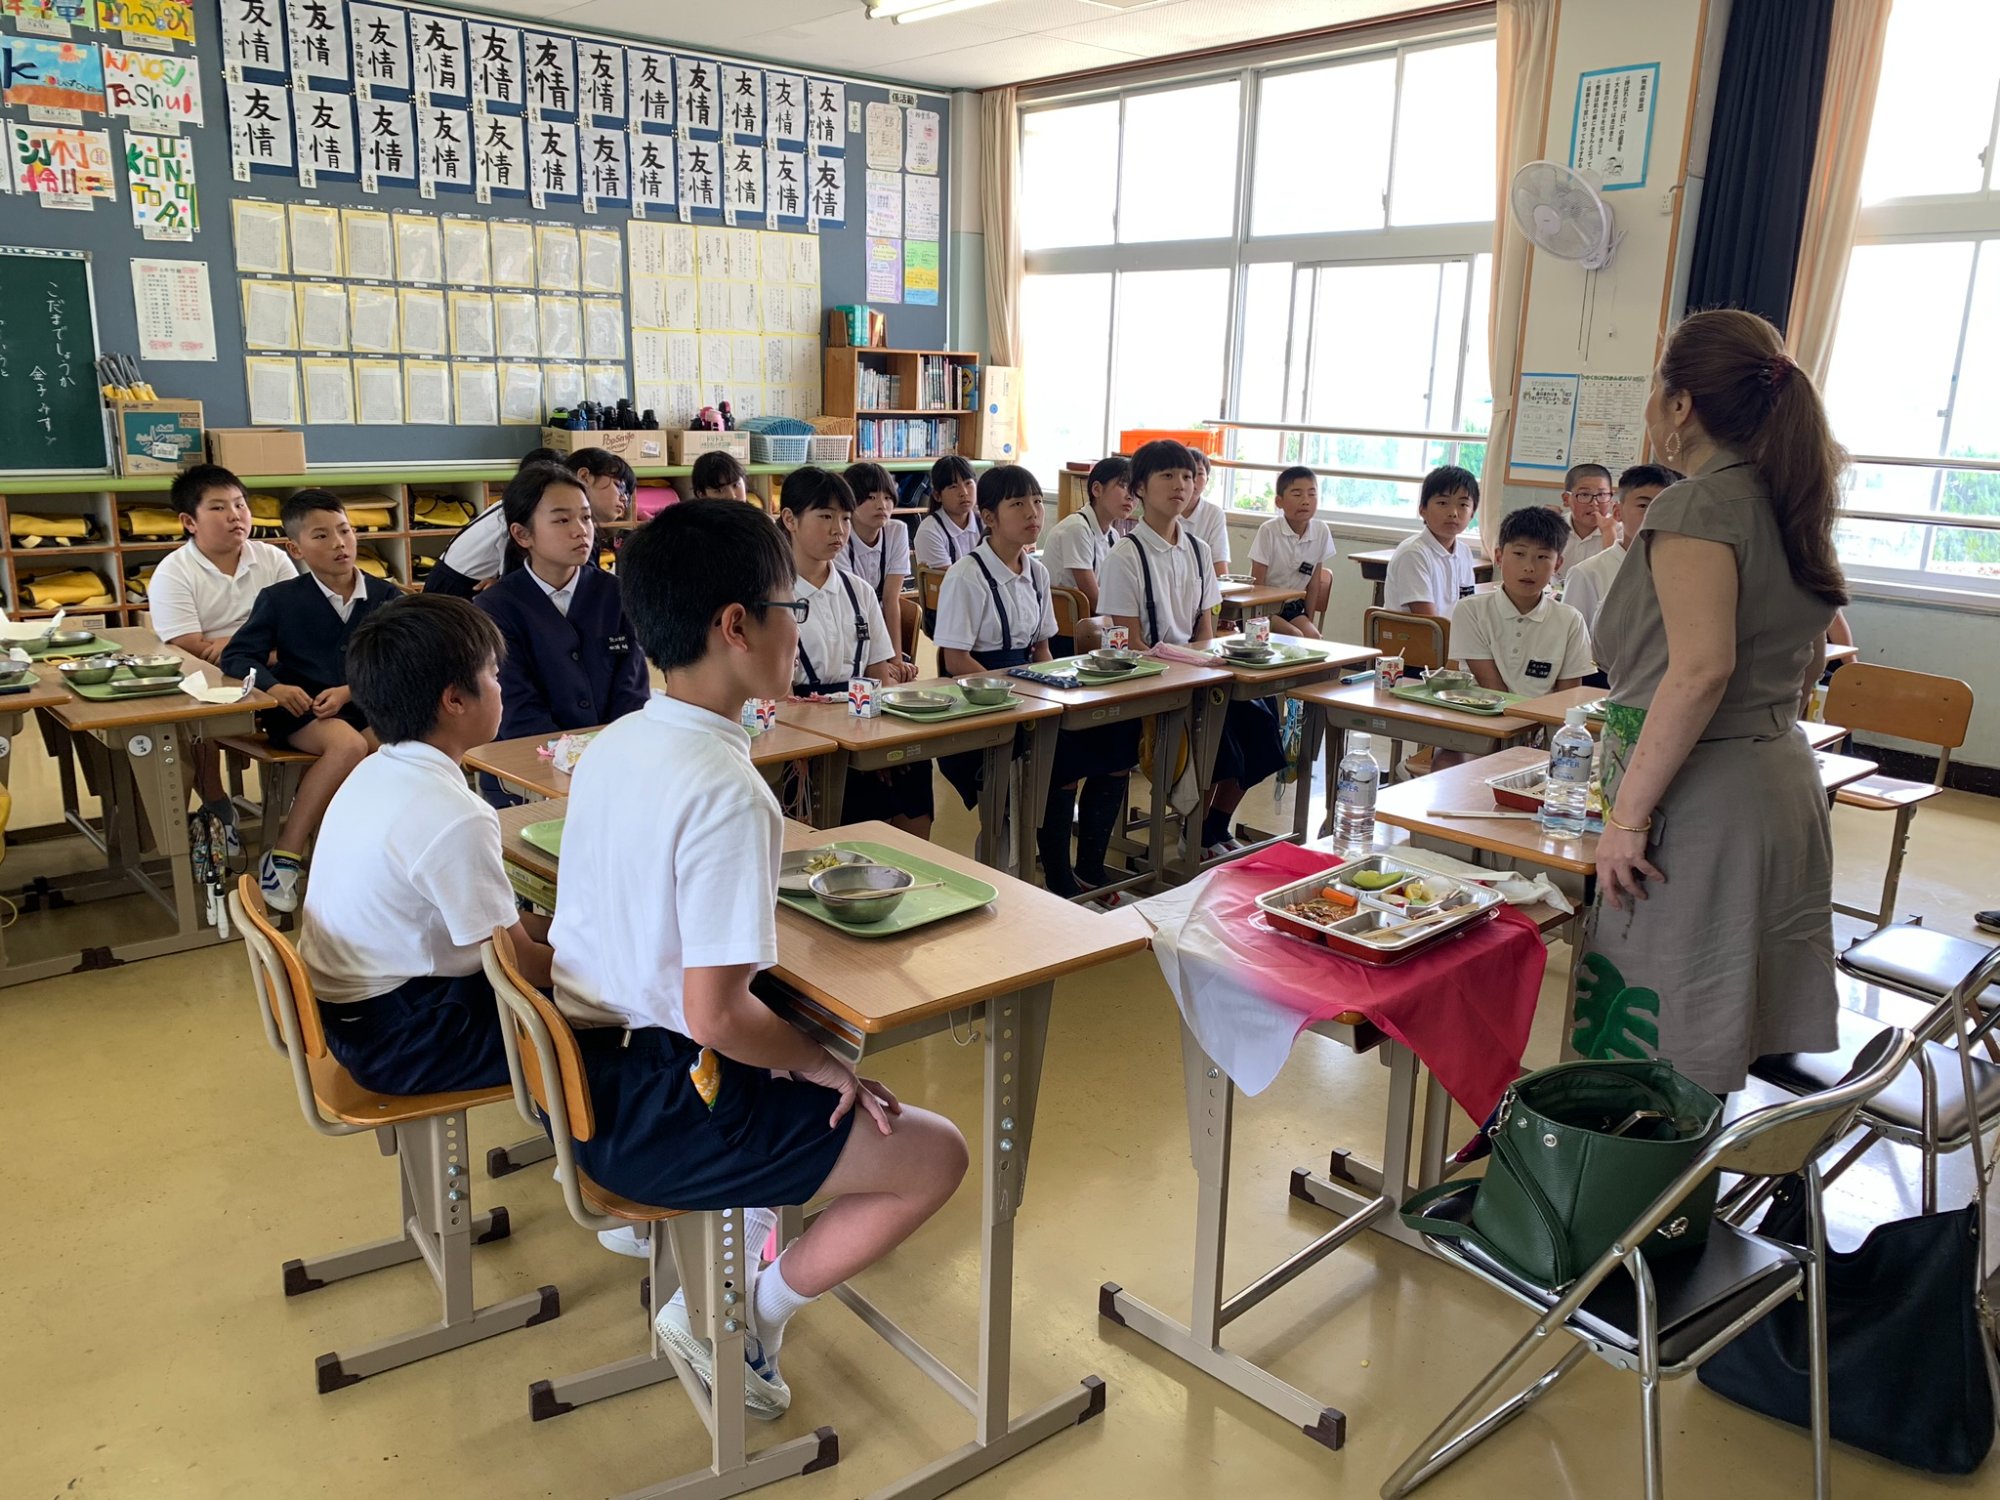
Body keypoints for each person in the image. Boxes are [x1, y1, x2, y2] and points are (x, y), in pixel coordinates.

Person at [548, 500, 968, 1419]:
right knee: (934, 1152)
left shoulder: (617, 743)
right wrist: (820, 1066)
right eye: (793, 609)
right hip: (664, 1103)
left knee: (805, 1055)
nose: (797, 629)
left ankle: (738, 1278)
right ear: (737, 626)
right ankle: (743, 1320)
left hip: (590, 1076)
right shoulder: (728, 790)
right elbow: (717, 1016)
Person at [1587, 308, 1847, 1095]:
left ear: (1680, 405)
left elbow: (1700, 672)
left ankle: (1650, 1175)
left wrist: (1628, 817)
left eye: (1653, 388)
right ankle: (1706, 1166)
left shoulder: (1697, 506)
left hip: (1702, 793)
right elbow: (1809, 655)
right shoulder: (1790, 498)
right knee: (1730, 1014)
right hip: (1777, 777)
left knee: (1662, 1031)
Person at [298, 594, 555, 1095]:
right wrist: (615, 967)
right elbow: (520, 963)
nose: (501, 687)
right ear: (455, 700)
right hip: (405, 1039)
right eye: (493, 675)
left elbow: (494, 924)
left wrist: (566, 931)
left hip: (355, 1015)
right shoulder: (456, 817)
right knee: (613, 1014)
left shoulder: (375, 768)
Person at [1100, 440, 1285, 858]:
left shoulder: (1199, 551)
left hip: (1198, 673)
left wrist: (1206, 669)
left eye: (1187, 476)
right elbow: (1130, 643)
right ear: (1140, 488)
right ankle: (1195, 829)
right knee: (1224, 738)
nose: (1180, 485)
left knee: (1262, 724)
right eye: (1167, 476)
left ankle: (1210, 827)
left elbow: (1206, 631)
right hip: (1153, 682)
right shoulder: (1126, 556)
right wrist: (1187, 674)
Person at [222, 489, 401, 911]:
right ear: (295, 549)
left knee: (393, 746)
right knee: (349, 746)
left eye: (345, 531)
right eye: (321, 536)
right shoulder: (280, 599)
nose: (339, 543)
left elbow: (404, 657)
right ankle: (285, 854)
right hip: (300, 712)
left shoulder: (386, 596)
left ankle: (355, 852)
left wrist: (351, 690)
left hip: (364, 706)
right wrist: (275, 688)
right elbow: (237, 656)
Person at [472, 461, 649, 807]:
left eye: (586, 517)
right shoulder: (494, 607)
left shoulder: (617, 593)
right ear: (522, 535)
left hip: (614, 765)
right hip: (527, 774)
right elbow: (517, 709)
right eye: (562, 520)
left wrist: (612, 758)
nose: (581, 530)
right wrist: (572, 762)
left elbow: (632, 693)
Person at [147, 463, 299, 844]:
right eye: (218, 507)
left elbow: (297, 628)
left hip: (274, 666)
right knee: (196, 715)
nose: (235, 515)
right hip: (210, 675)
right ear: (189, 521)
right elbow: (189, 645)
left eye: (240, 504)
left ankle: (303, 804)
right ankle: (218, 806)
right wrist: (252, 646)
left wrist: (233, 644)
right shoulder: (173, 572)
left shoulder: (272, 558)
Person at [779, 467, 931, 839]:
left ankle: (909, 864)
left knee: (914, 764)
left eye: (845, 518)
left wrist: (883, 739)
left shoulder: (859, 590)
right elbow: (773, 693)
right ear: (790, 520)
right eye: (825, 516)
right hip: (801, 728)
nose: (839, 530)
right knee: (851, 795)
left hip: (862, 718)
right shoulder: (771, 594)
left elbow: (879, 671)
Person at [933, 465, 1056, 820]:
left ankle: (1050, 851)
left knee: (1066, 764)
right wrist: (1013, 698)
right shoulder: (966, 575)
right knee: (1006, 803)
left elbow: (1042, 649)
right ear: (989, 517)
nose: (1033, 512)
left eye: (1037, 501)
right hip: (979, 698)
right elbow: (956, 661)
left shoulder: (1038, 572)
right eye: (1018, 504)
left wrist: (1050, 694)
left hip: (1027, 693)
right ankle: (1004, 846)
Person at [425, 447, 630, 595]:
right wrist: (504, 587)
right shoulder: (524, 510)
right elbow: (514, 560)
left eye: (585, 517)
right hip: (457, 588)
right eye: (619, 487)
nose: (624, 499)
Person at [1448, 505, 1593, 696]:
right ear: (1499, 557)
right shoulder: (1471, 611)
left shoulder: (1570, 621)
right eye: (1519, 554)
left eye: (1542, 557)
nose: (1529, 567)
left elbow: (1568, 697)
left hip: (1543, 715)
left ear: (1557, 564)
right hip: (1482, 712)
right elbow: (1492, 688)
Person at [1562, 464, 1678, 636]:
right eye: (1643, 505)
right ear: (1617, 512)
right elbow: (1571, 641)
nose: (1655, 514)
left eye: (1664, 506)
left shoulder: (1683, 571)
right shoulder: (1588, 574)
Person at [1041, 455, 1132, 653]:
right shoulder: (1077, 528)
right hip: (1067, 632)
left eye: (1134, 489)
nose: (1130, 496)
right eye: (1123, 486)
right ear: (1097, 489)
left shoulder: (1113, 535)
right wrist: (1128, 620)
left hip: (1095, 624)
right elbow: (1093, 597)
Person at [1248, 466, 1336, 639]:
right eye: (1297, 494)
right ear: (1279, 501)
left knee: (1314, 638)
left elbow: (1314, 583)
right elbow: (1257, 583)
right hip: (1264, 607)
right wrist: (1258, 620)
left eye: (1312, 494)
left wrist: (1309, 619)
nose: (1306, 501)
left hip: (1293, 608)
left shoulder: (1321, 531)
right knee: (1294, 635)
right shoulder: (1269, 530)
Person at [1382, 466, 1480, 616]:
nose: (1453, 513)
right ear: (1423, 509)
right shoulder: (1413, 553)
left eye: (1463, 505)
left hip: (1449, 630)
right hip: (1421, 631)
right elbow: (1429, 622)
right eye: (1443, 503)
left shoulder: (1464, 552)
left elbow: (1468, 610)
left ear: (1472, 513)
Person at [840, 460, 912, 664]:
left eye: (888, 497)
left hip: (880, 632)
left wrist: (896, 660)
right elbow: (850, 606)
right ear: (849, 501)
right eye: (871, 497)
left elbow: (891, 600)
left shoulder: (897, 531)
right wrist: (877, 664)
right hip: (847, 634)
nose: (882, 505)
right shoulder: (840, 536)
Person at [912, 454, 981, 636]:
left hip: (983, 604)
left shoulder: (987, 522)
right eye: (953, 486)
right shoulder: (930, 531)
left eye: (968, 483)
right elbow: (954, 585)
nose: (964, 492)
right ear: (937, 495)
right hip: (948, 613)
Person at [1180, 447, 1231, 580]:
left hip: (1203, 586)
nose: (1193, 479)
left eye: (1199, 473)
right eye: (1187, 474)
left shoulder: (1214, 514)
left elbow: (1219, 564)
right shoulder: (1163, 509)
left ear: (1207, 480)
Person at [1556, 462, 1616, 571]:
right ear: (1566, 499)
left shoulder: (1622, 532)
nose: (1594, 503)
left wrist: (1608, 532)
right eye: (1584, 494)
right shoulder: (1554, 528)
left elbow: (1618, 574)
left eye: (1602, 494)